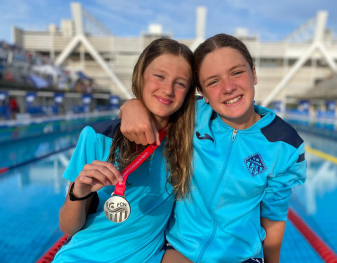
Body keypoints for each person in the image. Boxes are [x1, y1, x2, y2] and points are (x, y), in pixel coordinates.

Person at [119, 34, 307, 262]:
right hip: (180, 249)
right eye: (213, 82)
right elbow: (155, 104)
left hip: (240, 257)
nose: (228, 87)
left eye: (237, 72)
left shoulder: (284, 143)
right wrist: (131, 105)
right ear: (203, 93)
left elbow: (274, 216)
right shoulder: (189, 116)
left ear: (254, 74)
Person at [53, 38, 196, 263]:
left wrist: (133, 104)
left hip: (148, 256)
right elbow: (68, 227)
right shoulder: (97, 136)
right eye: (159, 76)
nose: (168, 89)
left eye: (180, 83)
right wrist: (79, 192)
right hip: (83, 257)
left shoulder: (186, 141)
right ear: (140, 75)